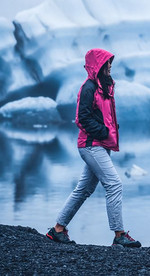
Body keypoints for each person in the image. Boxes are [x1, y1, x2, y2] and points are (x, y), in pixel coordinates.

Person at [46, 48, 141, 248]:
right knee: (114, 184)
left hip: (100, 145)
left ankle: (57, 230)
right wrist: (104, 132)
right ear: (98, 65)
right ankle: (119, 235)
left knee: (84, 189)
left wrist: (111, 130)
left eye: (110, 62)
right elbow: (82, 118)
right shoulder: (89, 87)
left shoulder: (103, 87)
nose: (110, 66)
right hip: (91, 145)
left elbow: (102, 115)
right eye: (107, 62)